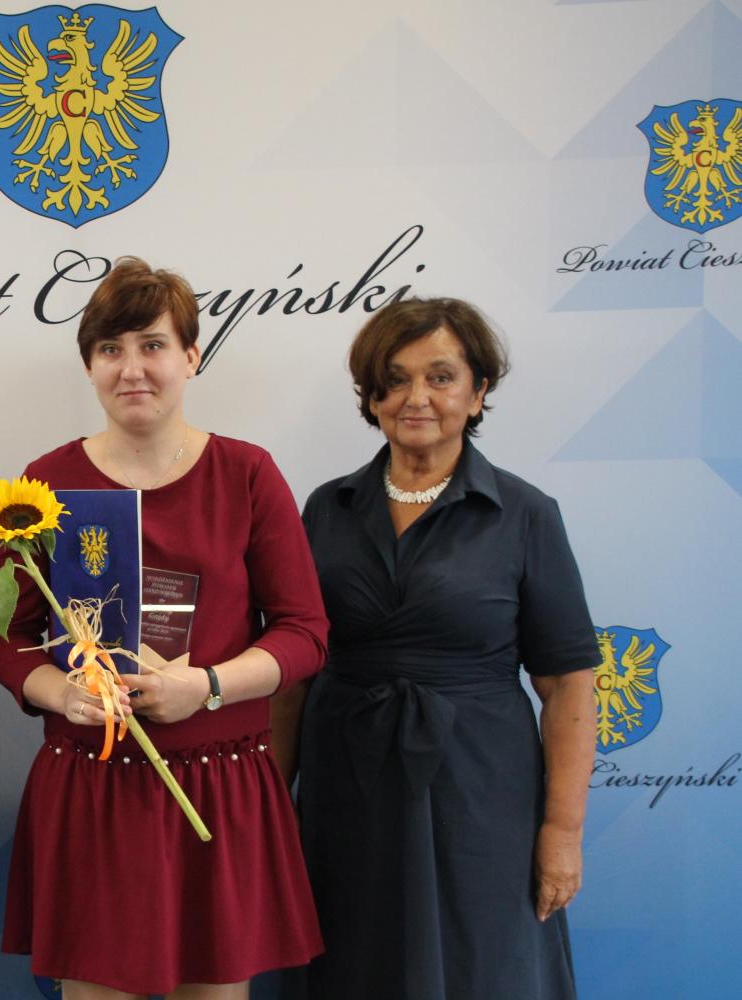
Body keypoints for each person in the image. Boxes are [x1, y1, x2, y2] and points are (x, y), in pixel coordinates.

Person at [0, 257, 329, 1000]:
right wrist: (61, 695)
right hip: (93, 786)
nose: (132, 368)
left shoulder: (247, 474)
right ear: (89, 366)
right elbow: (5, 634)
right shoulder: (42, 485)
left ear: (191, 357)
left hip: (218, 784)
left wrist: (207, 686)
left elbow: (304, 632)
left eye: (153, 345)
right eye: (110, 349)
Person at [276, 297, 599, 999]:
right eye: (394, 379)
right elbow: (293, 675)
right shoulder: (325, 508)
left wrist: (563, 830)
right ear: (372, 397)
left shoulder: (526, 514)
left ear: (478, 393)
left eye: (441, 377)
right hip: (346, 787)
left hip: (480, 791)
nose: (415, 397)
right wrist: (270, 808)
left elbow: (568, 684)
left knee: (483, 964)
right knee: (351, 959)